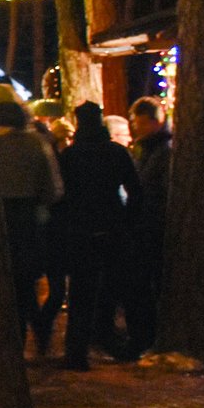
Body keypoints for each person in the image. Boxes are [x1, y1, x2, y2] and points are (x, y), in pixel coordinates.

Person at [55, 102, 142, 370]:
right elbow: (135, 190)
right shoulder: (116, 153)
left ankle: (77, 351)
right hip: (112, 227)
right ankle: (112, 341)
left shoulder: (69, 156)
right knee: (114, 288)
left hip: (80, 229)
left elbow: (60, 196)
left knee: (81, 291)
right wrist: (126, 219)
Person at [0, 93, 63, 354]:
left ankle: (12, 344)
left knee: (0, 286)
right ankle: (35, 331)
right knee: (24, 283)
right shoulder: (35, 143)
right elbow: (53, 190)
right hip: (27, 220)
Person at [125, 97, 172, 357]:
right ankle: (143, 336)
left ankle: (146, 337)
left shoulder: (163, 151)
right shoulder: (145, 149)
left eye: (140, 122)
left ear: (155, 121)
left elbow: (157, 189)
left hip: (152, 228)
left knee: (147, 285)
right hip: (144, 227)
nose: (136, 127)